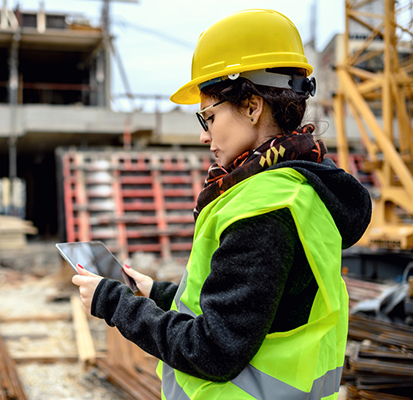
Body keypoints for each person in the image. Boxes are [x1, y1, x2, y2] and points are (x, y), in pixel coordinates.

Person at [73, 9, 372, 400]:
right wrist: (158, 293)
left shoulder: (264, 208)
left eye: (208, 117)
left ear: (251, 106)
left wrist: (112, 302)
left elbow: (212, 351)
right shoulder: (299, 188)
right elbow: (258, 311)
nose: (204, 136)